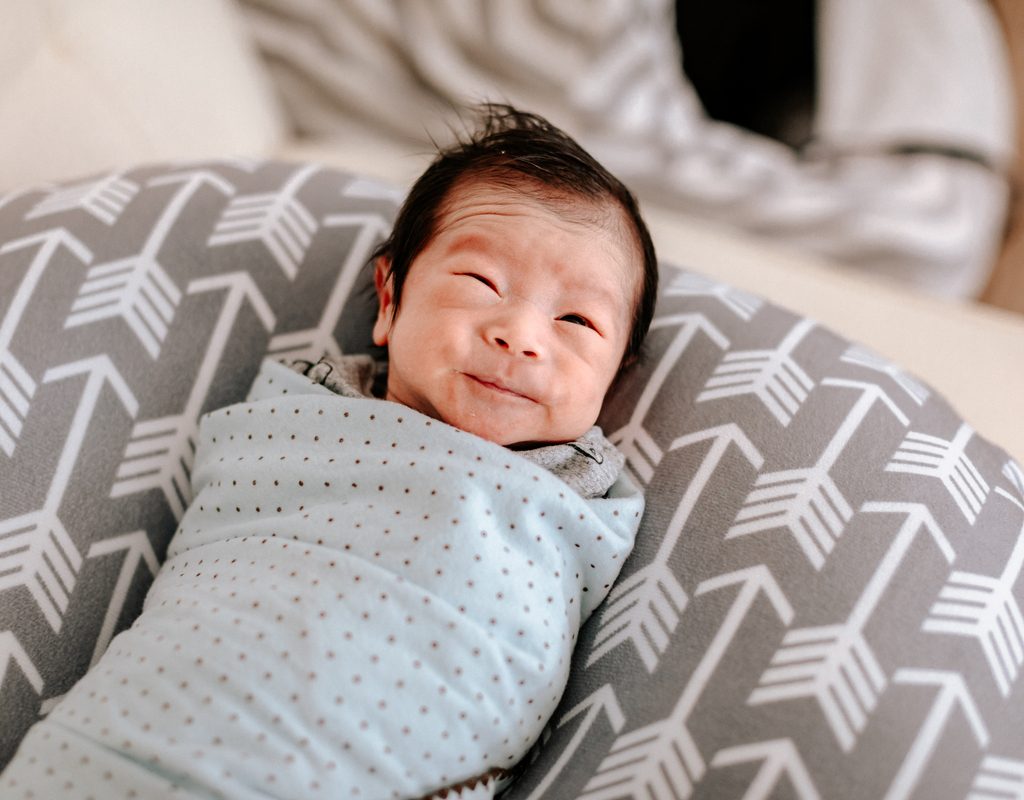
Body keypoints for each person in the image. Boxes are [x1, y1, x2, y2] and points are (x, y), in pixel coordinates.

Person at [0, 105, 656, 800]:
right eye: (481, 282)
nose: (519, 334)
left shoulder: (579, 503)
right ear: (390, 299)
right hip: (130, 739)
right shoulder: (299, 417)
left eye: (577, 320)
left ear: (615, 376)